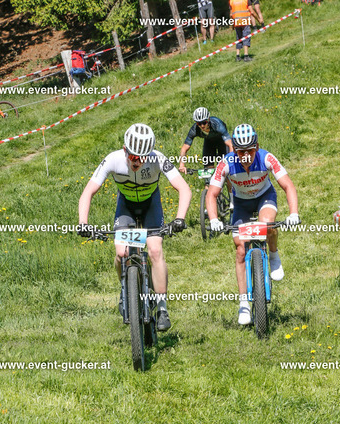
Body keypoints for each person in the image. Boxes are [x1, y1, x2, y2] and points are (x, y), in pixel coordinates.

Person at [78, 123, 192, 332]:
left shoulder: (158, 159)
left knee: (155, 250)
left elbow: (184, 189)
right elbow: (88, 192)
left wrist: (179, 218)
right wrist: (83, 223)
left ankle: (162, 308)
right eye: (132, 157)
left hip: (151, 206)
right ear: (125, 150)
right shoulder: (113, 160)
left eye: (142, 157)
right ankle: (125, 290)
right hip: (126, 208)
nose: (137, 162)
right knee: (121, 253)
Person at [206, 124, 299, 325]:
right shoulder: (226, 163)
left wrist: (294, 213)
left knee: (268, 224)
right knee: (241, 248)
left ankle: (273, 255)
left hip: (264, 196)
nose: (246, 156)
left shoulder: (266, 158)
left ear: (256, 147)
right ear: (235, 151)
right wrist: (213, 219)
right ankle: (243, 304)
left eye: (250, 150)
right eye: (241, 152)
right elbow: (212, 194)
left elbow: (288, 185)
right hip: (241, 204)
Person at [178, 107, 233, 174]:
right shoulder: (194, 130)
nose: (202, 126)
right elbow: (184, 148)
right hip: (209, 143)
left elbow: (230, 144)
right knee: (208, 170)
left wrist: (231, 160)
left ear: (208, 119)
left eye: (204, 122)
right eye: (199, 123)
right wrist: (181, 165)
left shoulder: (218, 125)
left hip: (222, 142)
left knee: (224, 168)